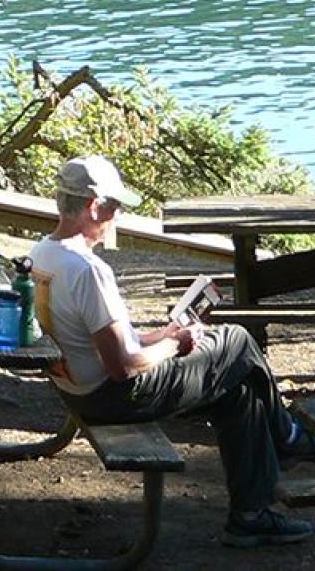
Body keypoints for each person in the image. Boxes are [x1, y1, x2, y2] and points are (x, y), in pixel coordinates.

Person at [31, 155, 315, 549]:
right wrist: (175, 344)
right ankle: (286, 437)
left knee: (238, 389)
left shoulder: (44, 253)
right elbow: (124, 367)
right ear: (94, 207)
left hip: (78, 386)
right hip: (113, 396)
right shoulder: (88, 270)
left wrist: (156, 335)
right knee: (236, 340)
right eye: (114, 208)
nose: (117, 216)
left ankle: (251, 515)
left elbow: (101, 338)